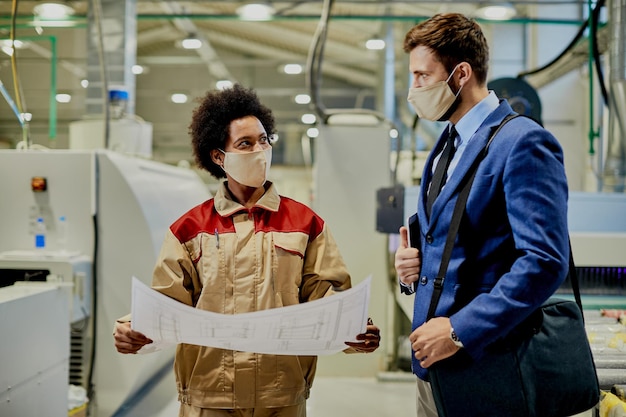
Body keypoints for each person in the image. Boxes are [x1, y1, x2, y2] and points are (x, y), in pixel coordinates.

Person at [113, 84, 381, 417]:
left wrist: (354, 328)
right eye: (245, 143)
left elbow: (328, 295)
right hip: (209, 396)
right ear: (218, 156)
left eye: (264, 140)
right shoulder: (189, 228)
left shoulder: (304, 222)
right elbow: (166, 302)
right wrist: (131, 325)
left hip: (280, 396)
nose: (260, 150)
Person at [394, 13, 569, 416]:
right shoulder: (448, 142)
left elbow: (543, 261)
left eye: (422, 76)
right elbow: (455, 239)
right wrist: (415, 265)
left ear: (460, 74)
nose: (413, 89)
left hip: (486, 365)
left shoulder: (523, 143)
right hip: (433, 367)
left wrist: (459, 330)